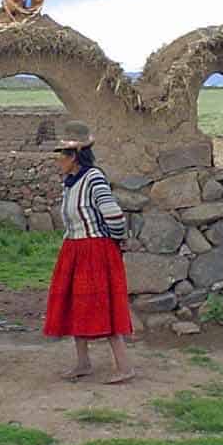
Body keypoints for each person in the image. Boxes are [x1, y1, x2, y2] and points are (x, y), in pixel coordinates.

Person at [43, 120, 134, 383]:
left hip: (94, 250)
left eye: (61, 154)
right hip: (75, 248)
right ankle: (83, 363)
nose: (58, 159)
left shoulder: (94, 178)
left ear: (75, 156)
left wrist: (117, 241)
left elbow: (114, 215)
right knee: (75, 304)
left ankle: (124, 367)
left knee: (102, 305)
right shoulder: (70, 182)